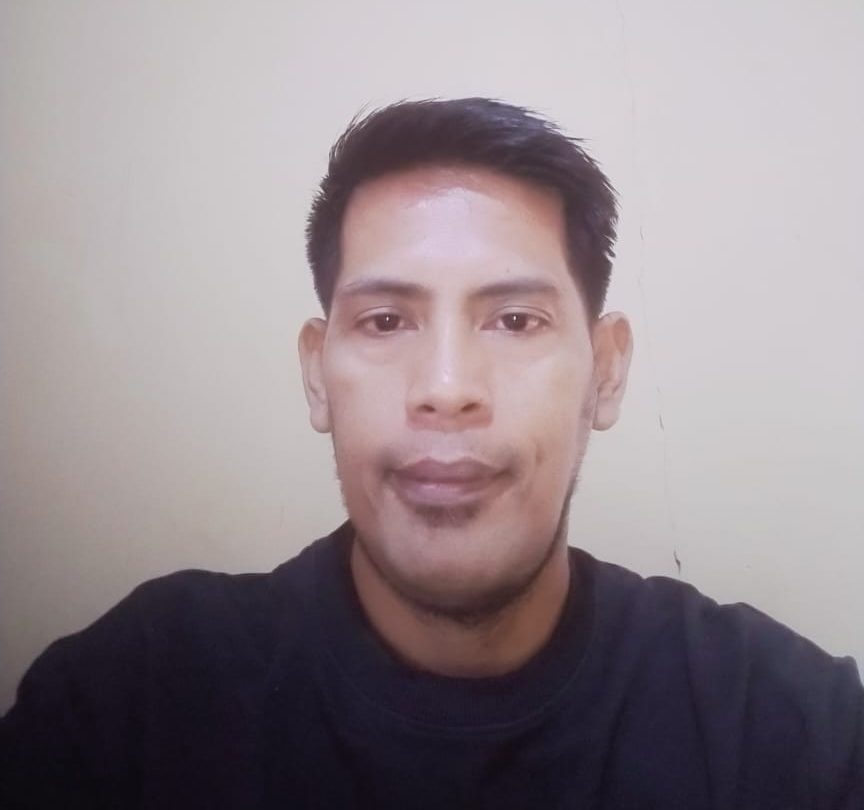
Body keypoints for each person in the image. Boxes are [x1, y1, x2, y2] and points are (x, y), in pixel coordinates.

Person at [1, 97, 861, 809]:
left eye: (515, 320)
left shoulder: (786, 729)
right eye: (385, 321)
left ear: (605, 372)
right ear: (316, 375)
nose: (446, 388)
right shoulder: (127, 706)